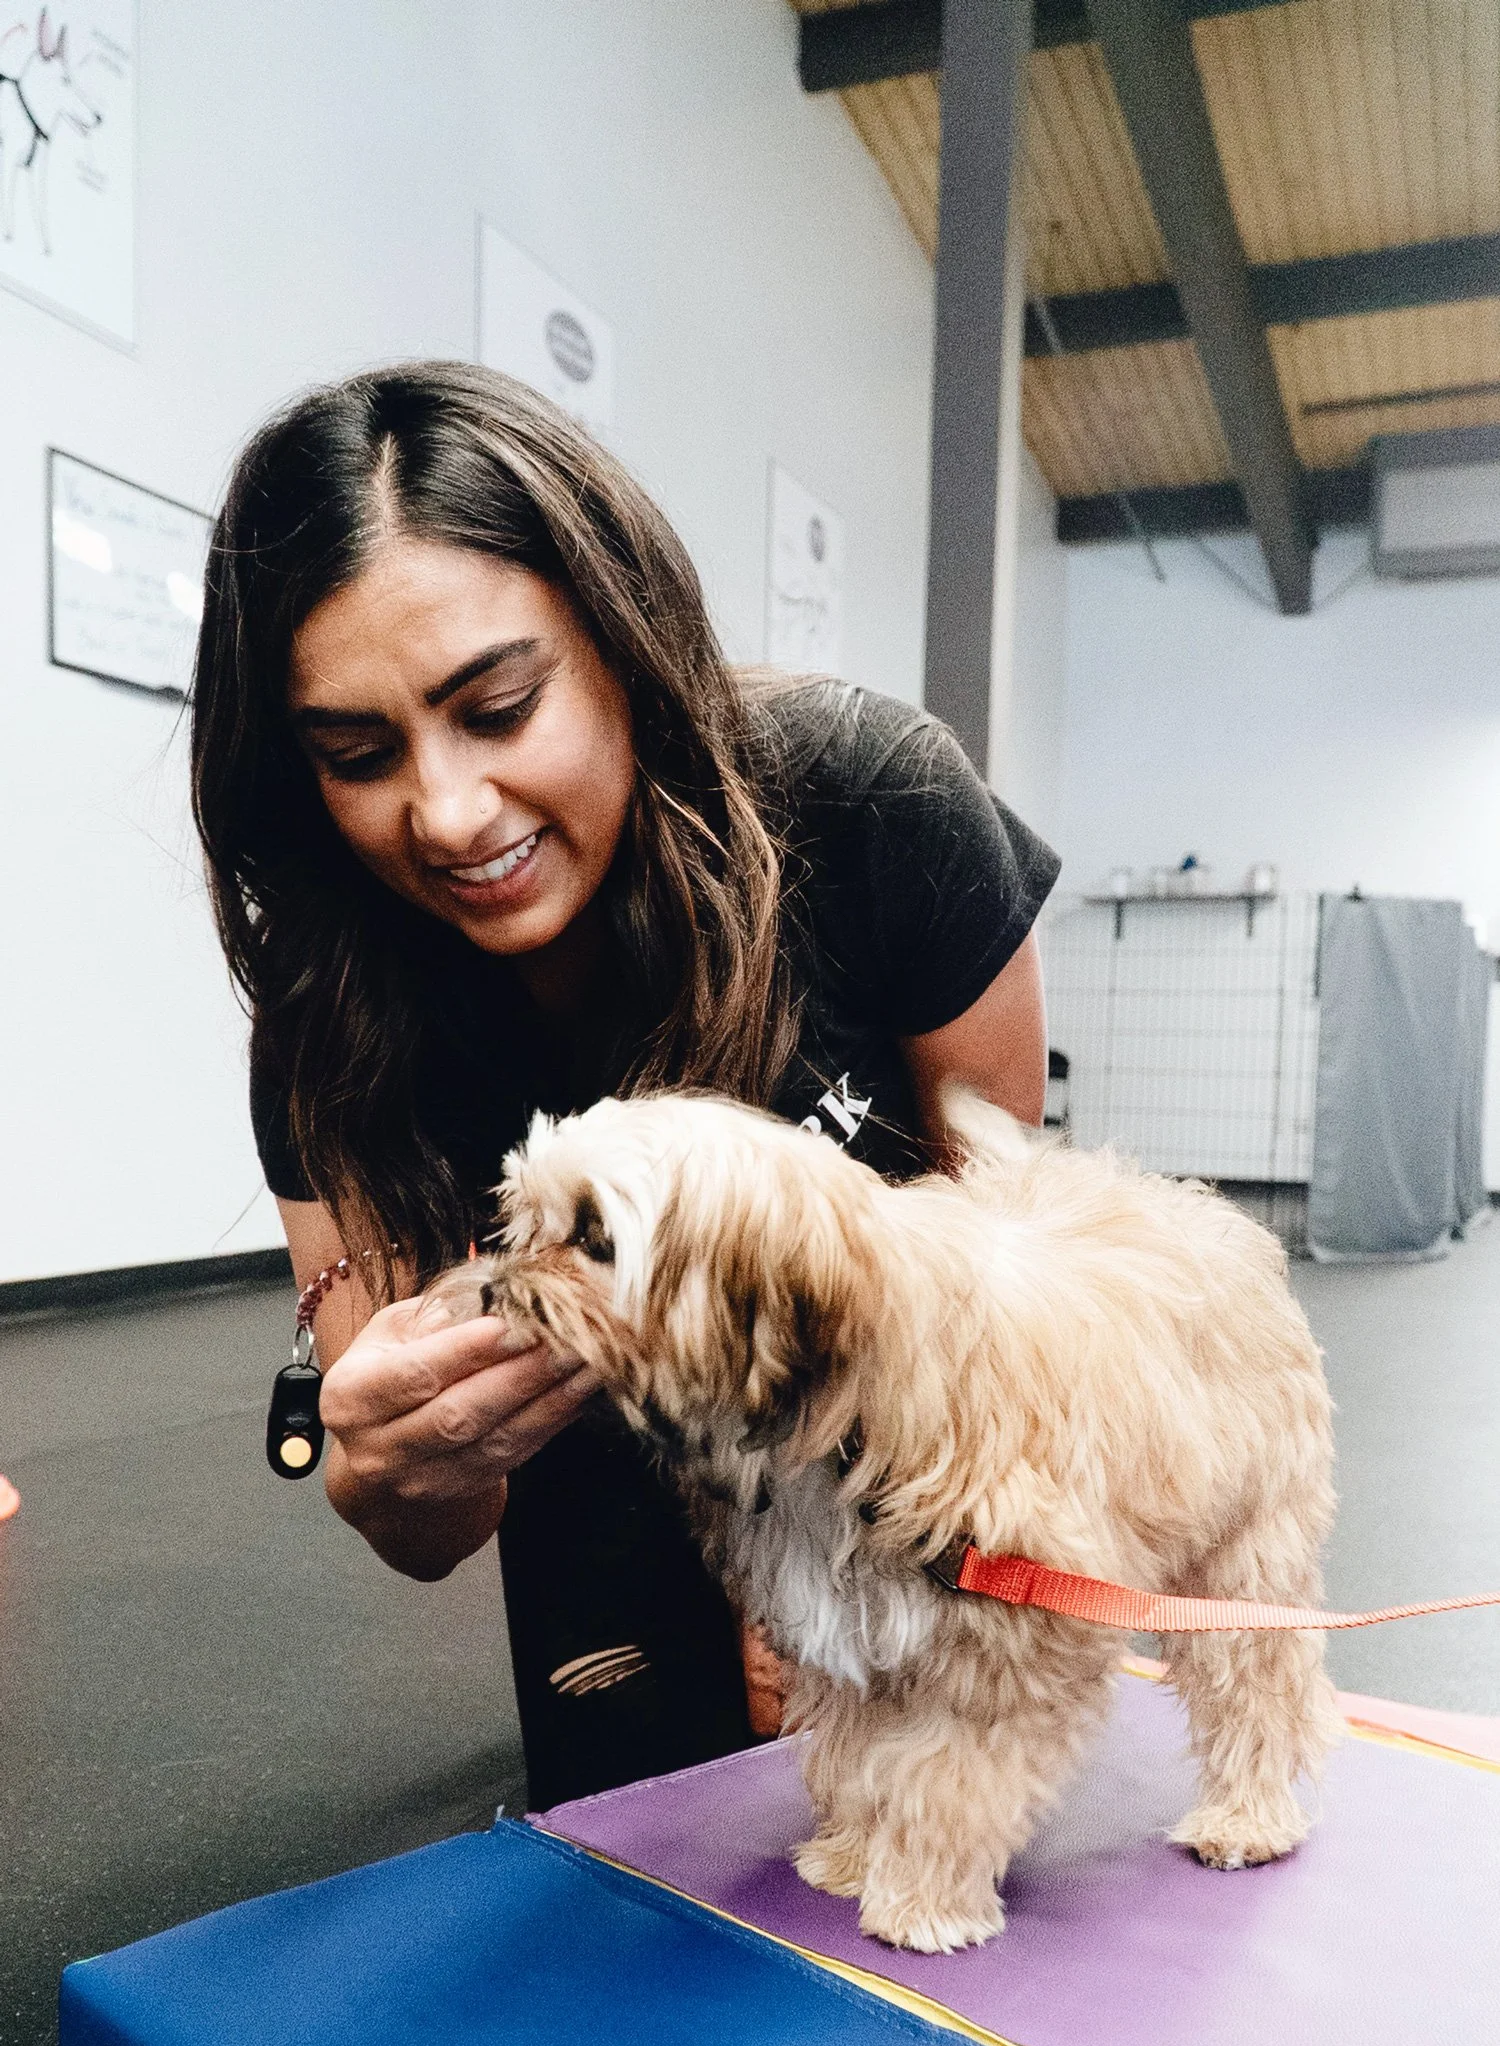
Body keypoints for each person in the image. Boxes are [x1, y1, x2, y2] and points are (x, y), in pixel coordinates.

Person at [191, 362, 1058, 1809]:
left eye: (500, 705)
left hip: (909, 1451)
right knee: (658, 1860)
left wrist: (839, 1559)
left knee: (956, 1822)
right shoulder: (331, 1017)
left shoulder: (876, 804)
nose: (450, 814)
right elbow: (424, 1529)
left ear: (619, 637)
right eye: (359, 753)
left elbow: (1018, 1296)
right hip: (611, 1478)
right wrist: (389, 1463)